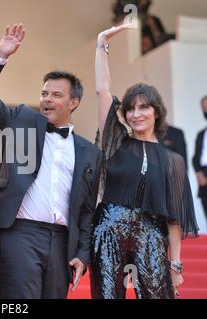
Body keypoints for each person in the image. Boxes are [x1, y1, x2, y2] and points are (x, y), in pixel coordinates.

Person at [0, 23, 102, 299]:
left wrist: (83, 254)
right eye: (44, 94)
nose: (47, 100)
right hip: (18, 234)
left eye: (56, 95)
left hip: (61, 243)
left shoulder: (89, 152)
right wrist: (0, 55)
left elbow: (87, 211)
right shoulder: (21, 121)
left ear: (74, 102)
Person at [92, 23, 199, 299]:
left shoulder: (172, 160)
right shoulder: (116, 142)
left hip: (150, 235)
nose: (136, 114)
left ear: (156, 112)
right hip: (108, 232)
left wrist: (175, 265)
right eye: (131, 108)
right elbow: (102, 91)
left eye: (144, 107)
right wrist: (102, 45)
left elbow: (174, 218)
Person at [192, 95, 207, 219]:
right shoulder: (201, 134)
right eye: (204, 110)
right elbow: (195, 157)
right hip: (203, 177)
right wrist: (198, 173)